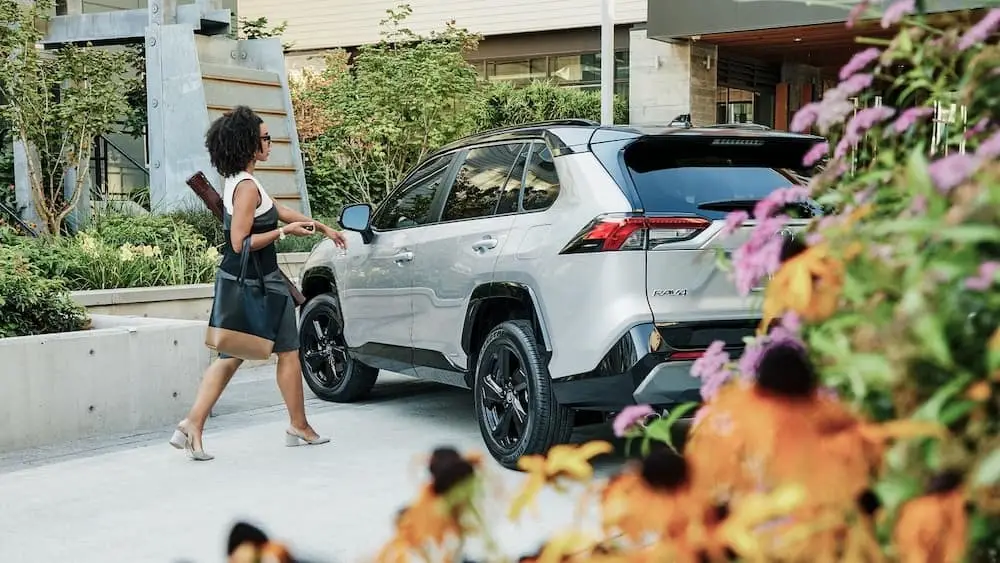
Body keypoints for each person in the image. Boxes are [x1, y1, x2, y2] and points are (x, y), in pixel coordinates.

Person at [170, 105, 347, 461]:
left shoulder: (243, 181)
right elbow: (240, 242)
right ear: (248, 143)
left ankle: (292, 424)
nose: (270, 143)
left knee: (268, 353)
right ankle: (196, 423)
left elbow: (278, 210)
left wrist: (322, 227)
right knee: (248, 355)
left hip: (256, 283)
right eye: (265, 138)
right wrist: (284, 233)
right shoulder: (247, 187)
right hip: (255, 284)